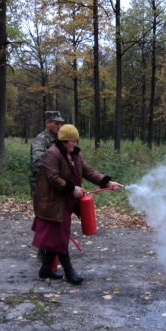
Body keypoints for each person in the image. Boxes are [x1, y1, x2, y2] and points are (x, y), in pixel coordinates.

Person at [32, 124, 122, 285]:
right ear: (65, 140)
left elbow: (88, 171)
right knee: (59, 236)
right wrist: (72, 188)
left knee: (56, 235)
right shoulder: (52, 154)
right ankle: (69, 271)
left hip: (64, 201)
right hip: (51, 202)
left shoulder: (75, 155)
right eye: (73, 140)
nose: (75, 143)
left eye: (75, 140)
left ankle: (45, 269)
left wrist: (107, 182)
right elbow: (53, 178)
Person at [29, 110, 64, 198]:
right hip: (42, 186)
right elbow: (38, 163)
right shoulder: (40, 140)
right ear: (47, 123)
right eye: (56, 123)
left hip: (56, 184)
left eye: (60, 124)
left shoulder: (60, 140)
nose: (59, 126)